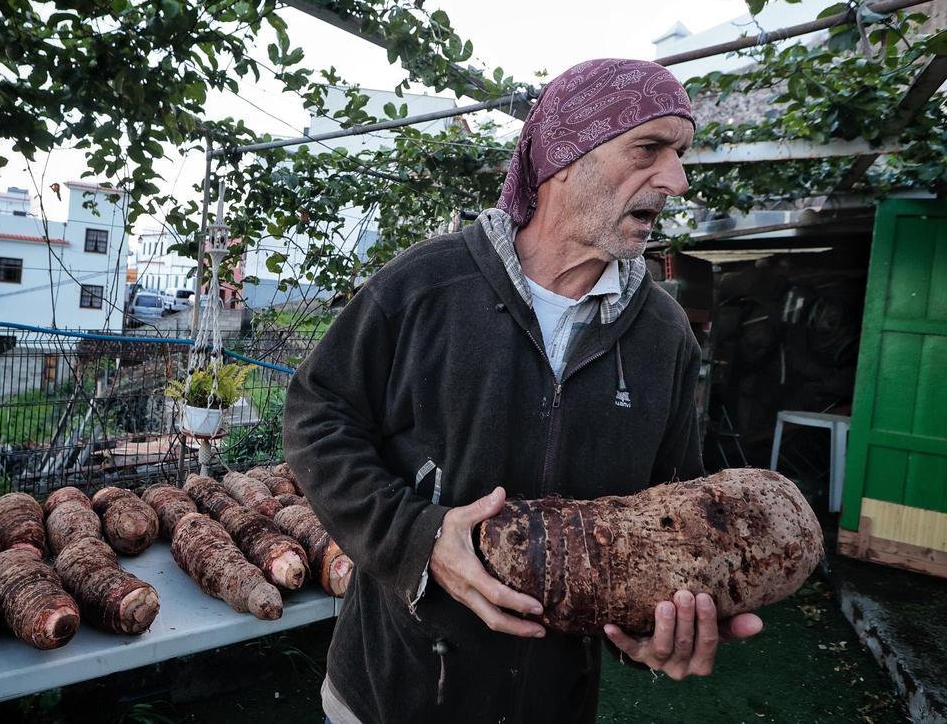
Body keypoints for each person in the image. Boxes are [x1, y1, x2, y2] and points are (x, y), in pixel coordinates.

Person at [282, 58, 764, 724]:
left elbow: (672, 511)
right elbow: (317, 415)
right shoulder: (425, 286)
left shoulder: (664, 334)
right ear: (563, 157)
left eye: (679, 154)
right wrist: (418, 540)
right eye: (649, 149)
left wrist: (658, 623)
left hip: (554, 704)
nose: (677, 180)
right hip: (393, 692)